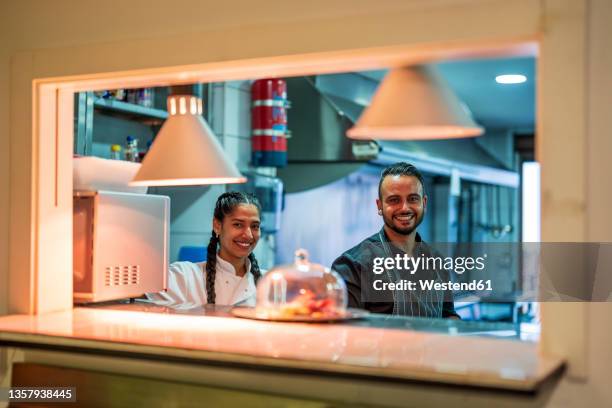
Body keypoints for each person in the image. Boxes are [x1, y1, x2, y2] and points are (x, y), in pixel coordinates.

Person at [331, 162, 459, 318]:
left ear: (423, 203)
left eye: (412, 199)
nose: (405, 208)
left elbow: (448, 317)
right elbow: (348, 330)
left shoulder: (437, 261)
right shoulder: (352, 265)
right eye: (394, 200)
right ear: (380, 206)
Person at [147, 191, 263, 309]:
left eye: (255, 226)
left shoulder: (270, 282)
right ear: (217, 226)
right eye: (238, 224)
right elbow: (136, 290)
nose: (248, 235)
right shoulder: (186, 276)